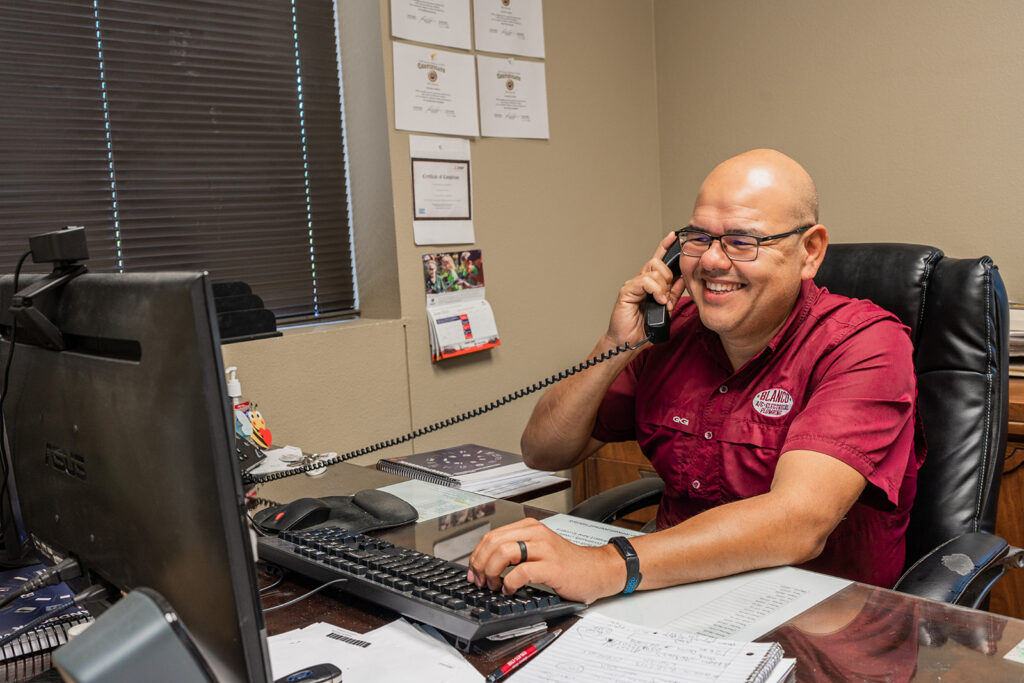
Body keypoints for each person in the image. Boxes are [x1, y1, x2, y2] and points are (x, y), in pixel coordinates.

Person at [466, 149, 925, 605]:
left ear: (809, 252)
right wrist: (615, 345)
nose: (711, 262)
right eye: (699, 238)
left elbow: (797, 524)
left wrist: (606, 565)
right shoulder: (673, 331)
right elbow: (543, 451)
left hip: (817, 619)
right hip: (671, 595)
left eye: (743, 241)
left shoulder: (866, 345)